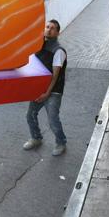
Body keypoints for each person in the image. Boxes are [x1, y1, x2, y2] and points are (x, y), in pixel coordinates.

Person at [23, 20, 68, 156]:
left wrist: (47, 93)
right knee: (30, 115)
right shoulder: (39, 46)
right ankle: (36, 138)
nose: (49, 30)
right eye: (47, 27)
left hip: (53, 91)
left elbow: (55, 75)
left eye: (53, 28)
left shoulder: (58, 51)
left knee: (53, 119)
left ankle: (61, 142)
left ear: (57, 32)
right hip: (39, 89)